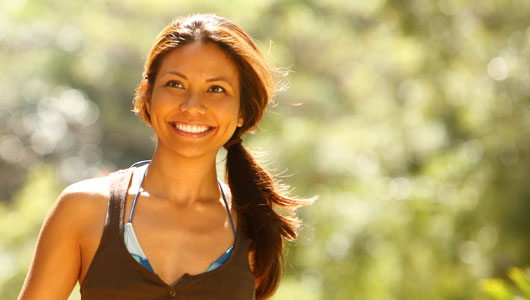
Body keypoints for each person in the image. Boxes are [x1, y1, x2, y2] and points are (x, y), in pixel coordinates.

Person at [18, 14, 312, 300]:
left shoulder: (254, 226)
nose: (192, 106)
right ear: (147, 93)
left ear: (242, 112)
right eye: (175, 84)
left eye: (216, 89)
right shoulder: (85, 209)